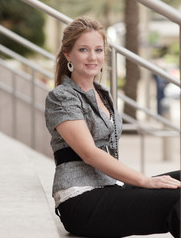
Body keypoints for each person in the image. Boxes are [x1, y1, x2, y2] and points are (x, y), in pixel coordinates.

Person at [44, 16, 180, 238]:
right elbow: (89, 154)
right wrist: (144, 181)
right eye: (83, 50)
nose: (92, 57)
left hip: (109, 189)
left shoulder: (103, 94)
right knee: (177, 197)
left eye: (98, 50)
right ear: (68, 54)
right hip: (80, 200)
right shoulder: (61, 97)